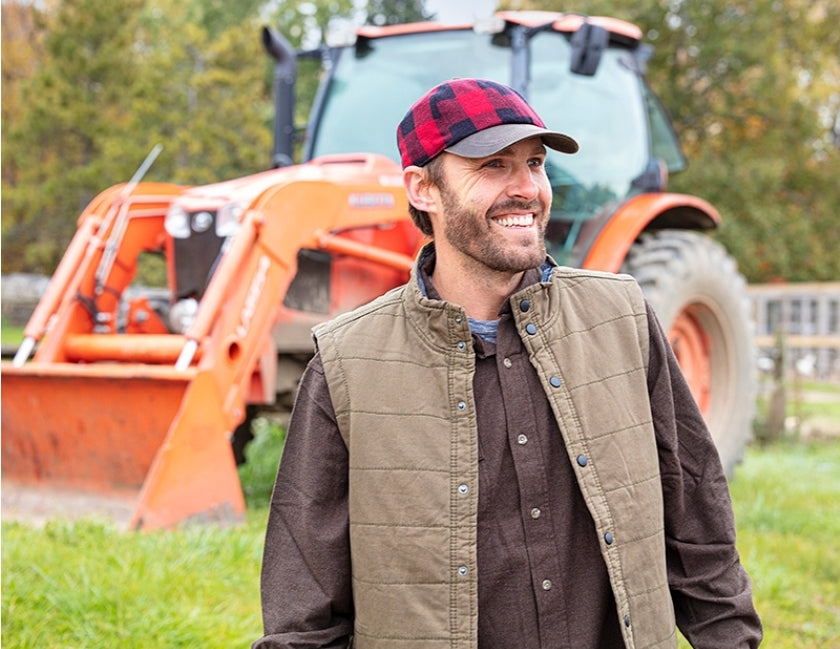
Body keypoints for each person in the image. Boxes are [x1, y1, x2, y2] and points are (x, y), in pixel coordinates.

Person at [254, 78, 762, 649]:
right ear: (422, 188)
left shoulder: (622, 320)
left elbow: (698, 520)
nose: (528, 188)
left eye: (536, 163)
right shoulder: (347, 363)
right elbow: (305, 607)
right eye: (492, 165)